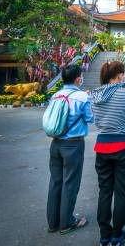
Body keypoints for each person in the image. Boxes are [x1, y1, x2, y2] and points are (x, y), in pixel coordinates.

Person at [90, 61, 125, 246]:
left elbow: (97, 120)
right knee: (121, 191)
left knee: (104, 191)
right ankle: (117, 234)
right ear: (119, 75)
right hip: (124, 147)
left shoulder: (95, 95)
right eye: (123, 73)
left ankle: (105, 235)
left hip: (102, 147)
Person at [46, 64, 93, 235]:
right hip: (73, 144)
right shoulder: (81, 96)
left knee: (55, 182)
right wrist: (88, 99)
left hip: (55, 143)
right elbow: (90, 118)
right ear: (78, 78)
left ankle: (53, 223)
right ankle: (66, 222)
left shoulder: (55, 95)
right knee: (70, 183)